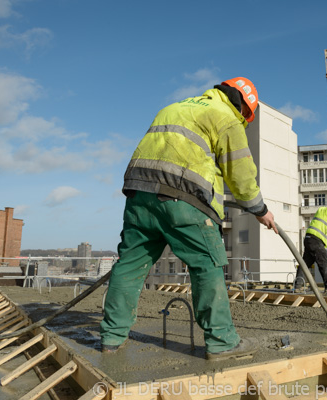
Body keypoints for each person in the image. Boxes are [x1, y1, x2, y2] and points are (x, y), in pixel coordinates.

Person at [100, 77, 278, 361]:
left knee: (130, 265)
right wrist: (260, 210)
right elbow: (241, 175)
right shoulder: (226, 118)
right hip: (182, 198)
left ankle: (111, 338)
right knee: (207, 264)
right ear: (243, 108)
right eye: (247, 117)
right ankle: (222, 342)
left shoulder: (174, 107)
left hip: (139, 194)